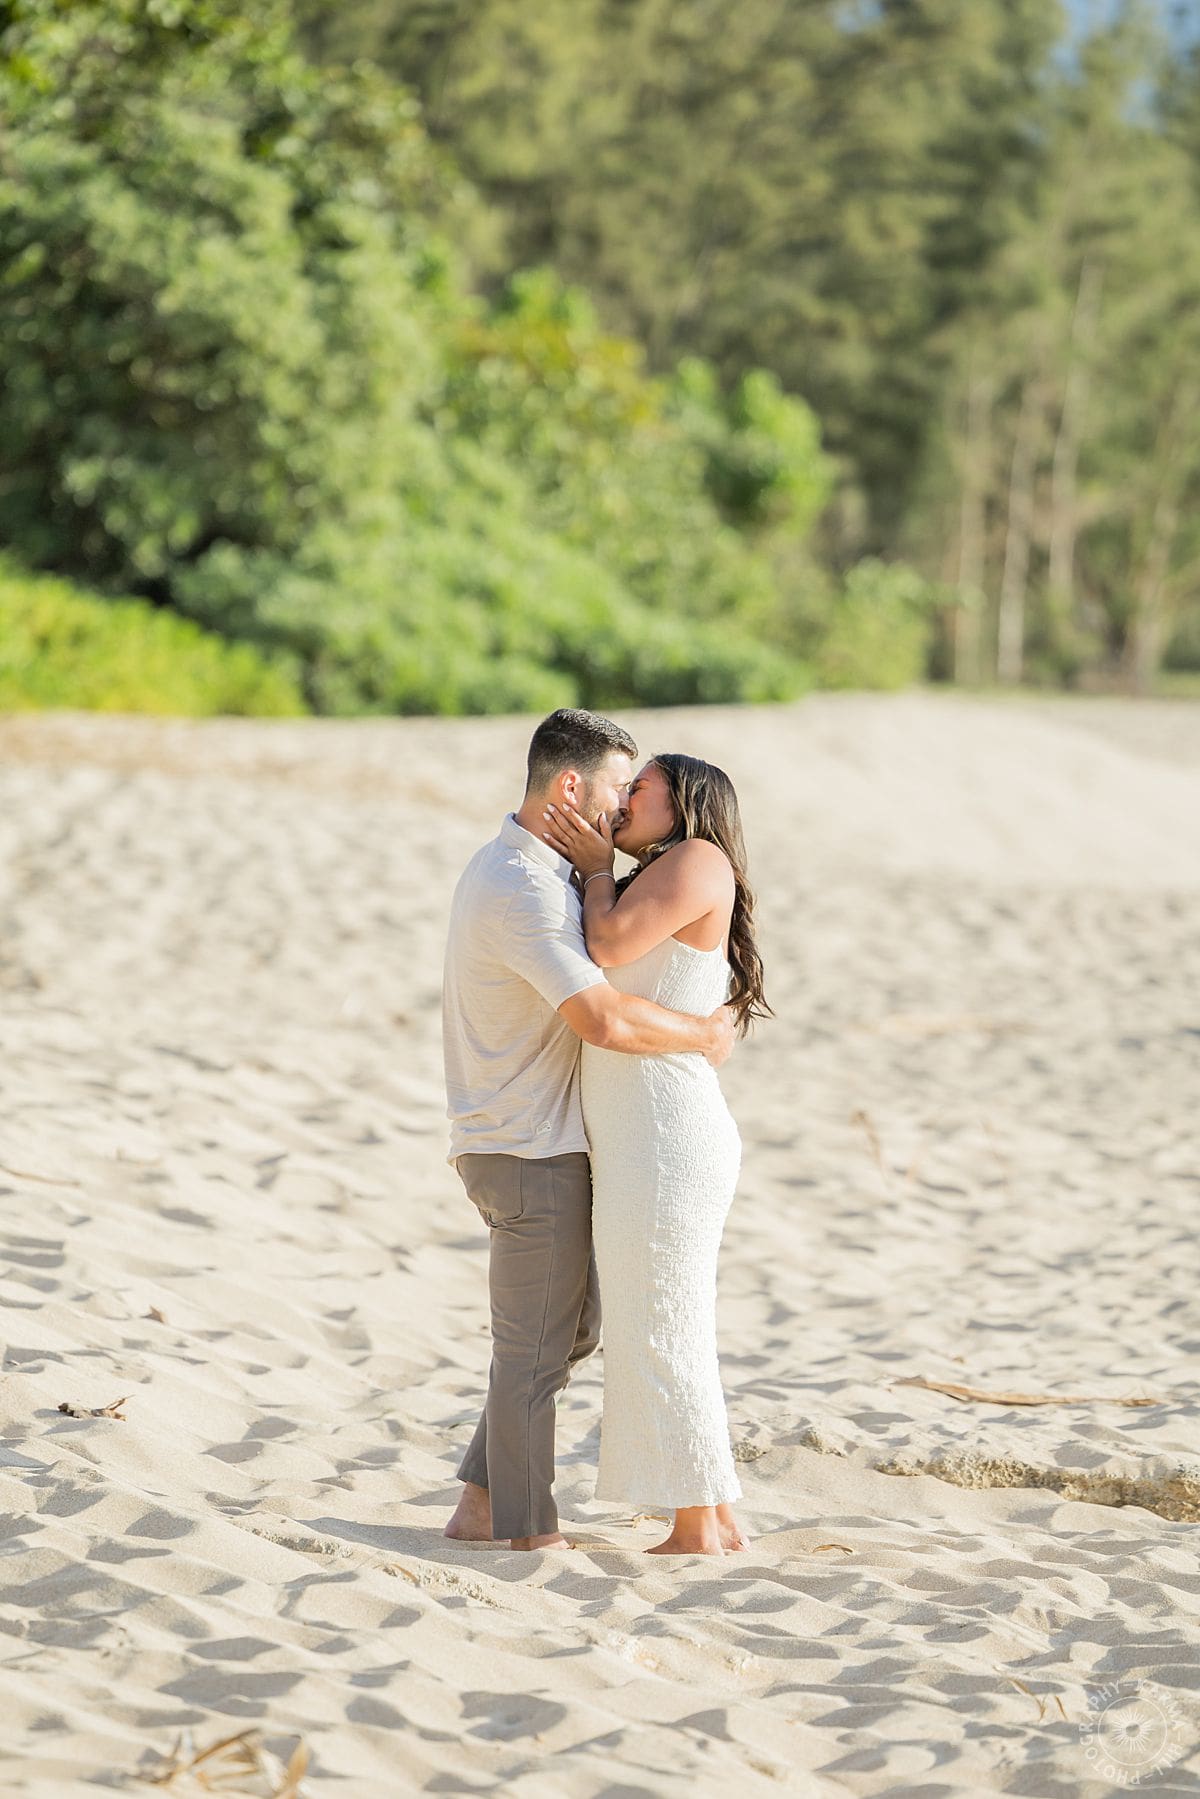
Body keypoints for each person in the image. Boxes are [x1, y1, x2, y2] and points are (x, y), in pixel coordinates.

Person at [441, 710, 736, 1552]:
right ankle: (525, 1532)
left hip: (557, 1134)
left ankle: (478, 1499)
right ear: (570, 785)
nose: (619, 807)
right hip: (526, 1140)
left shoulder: (545, 870)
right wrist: (702, 1035)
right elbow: (602, 1017)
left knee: (569, 1329)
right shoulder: (525, 888)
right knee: (535, 1346)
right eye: (617, 786)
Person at [541, 751, 769, 1555]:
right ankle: (713, 1508)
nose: (624, 795)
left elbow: (605, 944)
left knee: (661, 1321)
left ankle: (697, 1524)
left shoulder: (699, 860)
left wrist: (598, 867)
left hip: (667, 1134)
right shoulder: (663, 870)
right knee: (658, 1317)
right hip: (644, 1133)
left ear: (686, 803)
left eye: (641, 787)